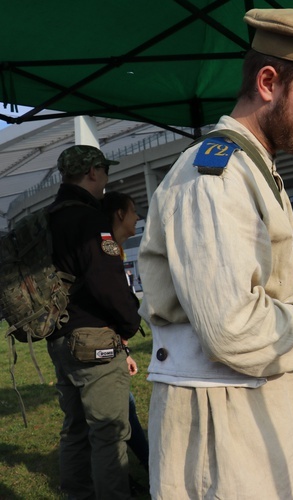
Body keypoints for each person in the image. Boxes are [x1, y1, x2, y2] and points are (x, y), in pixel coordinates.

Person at [137, 8, 293, 499]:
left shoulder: (250, 168)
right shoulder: (215, 178)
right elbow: (234, 330)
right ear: (268, 81)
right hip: (225, 439)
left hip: (253, 418)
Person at [46, 145, 143, 499]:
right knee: (109, 433)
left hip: (58, 337)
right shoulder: (89, 219)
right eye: (104, 171)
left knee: (74, 430)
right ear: (91, 172)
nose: (106, 179)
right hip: (94, 341)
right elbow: (108, 283)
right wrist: (130, 324)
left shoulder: (51, 215)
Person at [101, 191, 150, 475]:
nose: (137, 217)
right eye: (133, 211)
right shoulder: (105, 250)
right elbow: (112, 303)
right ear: (120, 214)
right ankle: (147, 465)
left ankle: (145, 464)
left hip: (111, 347)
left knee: (123, 410)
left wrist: (125, 350)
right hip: (100, 349)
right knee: (122, 412)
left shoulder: (114, 250)